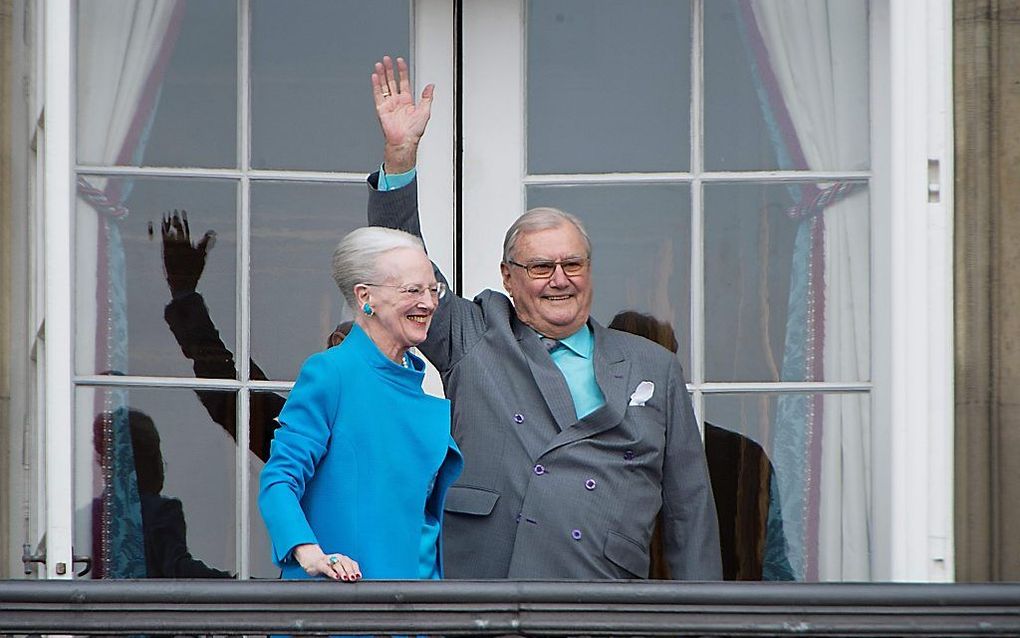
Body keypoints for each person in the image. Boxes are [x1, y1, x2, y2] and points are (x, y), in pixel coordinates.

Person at [365, 56, 722, 580]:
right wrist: (400, 158)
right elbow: (400, 269)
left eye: (572, 263)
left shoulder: (652, 366)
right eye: (540, 266)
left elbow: (690, 509)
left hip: (602, 599)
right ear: (508, 277)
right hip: (488, 588)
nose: (560, 278)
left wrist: (703, 622)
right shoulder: (474, 333)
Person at [258, 226, 463, 581]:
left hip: (417, 609)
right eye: (413, 290)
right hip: (346, 608)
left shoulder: (419, 384)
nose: (429, 303)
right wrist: (310, 554)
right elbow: (279, 480)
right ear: (365, 296)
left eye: (433, 290)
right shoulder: (332, 373)